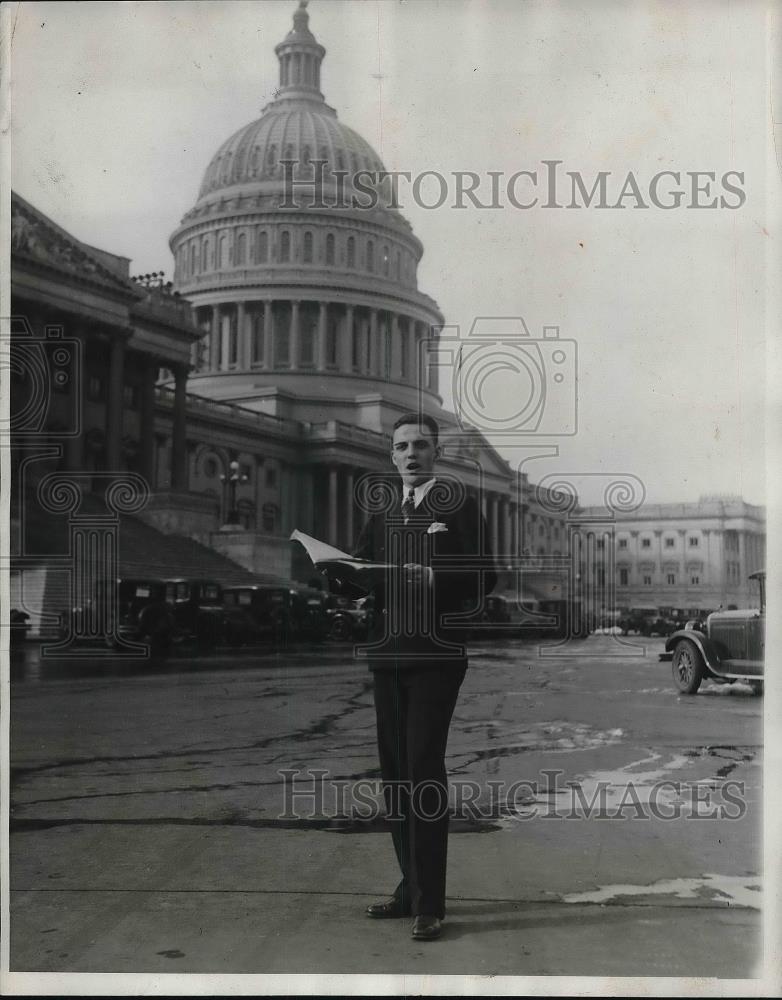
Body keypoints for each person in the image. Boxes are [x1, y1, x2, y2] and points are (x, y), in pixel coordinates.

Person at [353, 412, 496, 941]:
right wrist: (344, 578)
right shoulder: (384, 511)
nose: (410, 454)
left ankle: (430, 902)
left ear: (436, 454)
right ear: (391, 456)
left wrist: (431, 575)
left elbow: (486, 574)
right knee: (394, 774)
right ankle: (410, 886)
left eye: (420, 445)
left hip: (436, 656)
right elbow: (363, 569)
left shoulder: (458, 506)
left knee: (422, 767)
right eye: (401, 446)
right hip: (386, 655)